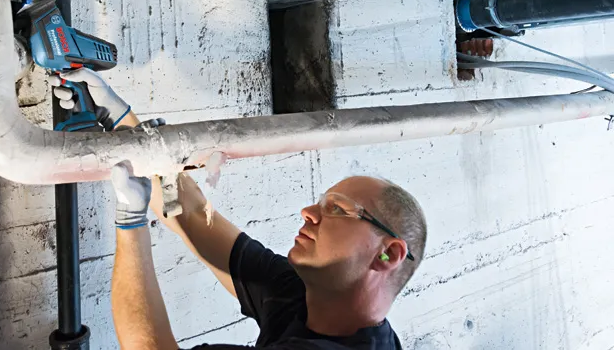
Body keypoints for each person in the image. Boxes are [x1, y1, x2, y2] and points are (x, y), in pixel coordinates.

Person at [52, 69, 428, 350]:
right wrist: (123, 123)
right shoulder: (302, 294)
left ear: (388, 254)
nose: (308, 213)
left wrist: (131, 221)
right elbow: (193, 216)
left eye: (337, 210)